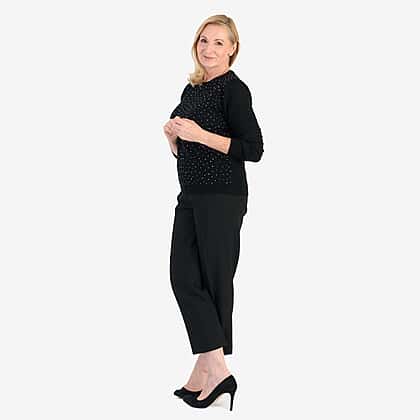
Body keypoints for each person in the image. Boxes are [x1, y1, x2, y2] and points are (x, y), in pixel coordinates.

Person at [162, 14, 264, 411]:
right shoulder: (192, 89)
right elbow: (186, 146)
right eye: (204, 40)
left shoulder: (234, 90)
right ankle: (212, 369)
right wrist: (174, 139)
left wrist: (199, 135)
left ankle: (213, 372)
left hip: (222, 197)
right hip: (190, 195)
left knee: (214, 282)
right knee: (184, 276)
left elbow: (253, 149)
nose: (209, 49)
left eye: (219, 42)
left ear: (232, 49)